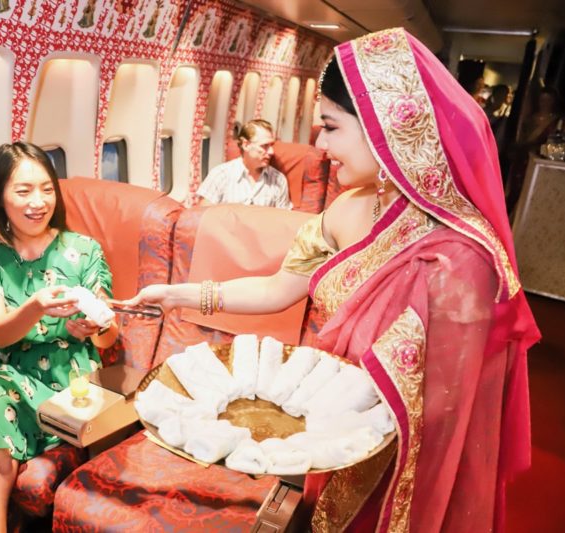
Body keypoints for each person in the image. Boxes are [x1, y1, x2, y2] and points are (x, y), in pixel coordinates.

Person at [126, 28, 539, 531]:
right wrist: (177, 294)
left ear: (386, 126)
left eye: (330, 127)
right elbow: (279, 287)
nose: (318, 145)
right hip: (335, 435)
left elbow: (448, 415)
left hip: (405, 460)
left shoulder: (459, 257)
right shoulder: (348, 208)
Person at [0, 142, 118, 533]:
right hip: (14, 373)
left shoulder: (83, 251)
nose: (38, 201)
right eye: (23, 191)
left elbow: (107, 335)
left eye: (47, 189)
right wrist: (35, 306)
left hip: (74, 377)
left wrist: (95, 326)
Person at [197, 119, 291, 209]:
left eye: (271, 145)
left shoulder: (278, 180)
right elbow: (203, 215)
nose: (271, 152)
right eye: (264, 146)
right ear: (246, 145)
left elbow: (283, 220)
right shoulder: (220, 175)